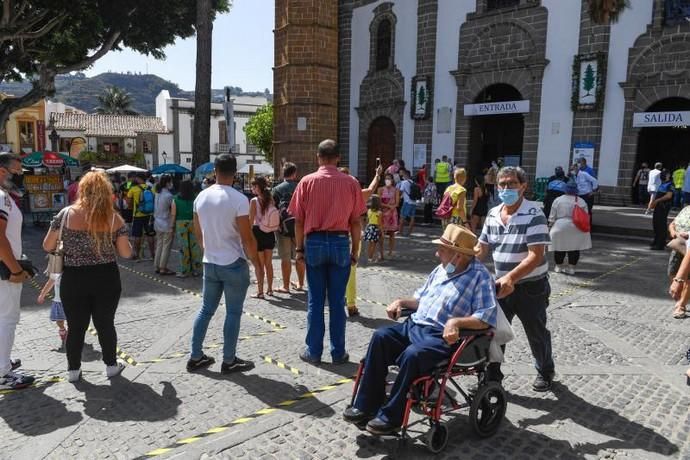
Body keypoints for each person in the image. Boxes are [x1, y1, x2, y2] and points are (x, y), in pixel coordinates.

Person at [342, 224, 497, 435]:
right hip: (414, 325)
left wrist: (456, 323)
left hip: (441, 337)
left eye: (442, 250)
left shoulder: (481, 277)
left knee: (412, 355)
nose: (437, 253)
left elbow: (486, 318)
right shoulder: (441, 269)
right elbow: (420, 299)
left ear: (458, 255)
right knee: (381, 337)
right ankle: (366, 406)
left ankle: (391, 417)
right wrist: (400, 301)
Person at [43, 171, 133, 382]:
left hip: (74, 278)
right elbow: (126, 253)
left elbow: (47, 245)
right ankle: (111, 365)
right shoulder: (113, 218)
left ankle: (73, 370)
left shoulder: (65, 215)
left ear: (82, 190)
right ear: (106, 192)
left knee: (76, 326)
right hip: (106, 277)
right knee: (105, 323)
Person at [477, 166, 555, 392]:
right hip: (501, 285)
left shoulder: (534, 214)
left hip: (531, 287)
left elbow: (536, 254)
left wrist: (511, 278)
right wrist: (461, 254)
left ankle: (544, 370)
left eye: (511, 183)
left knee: (536, 331)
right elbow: (481, 248)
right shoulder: (492, 213)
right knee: (494, 332)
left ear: (523, 186)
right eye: (502, 184)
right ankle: (492, 375)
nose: (506, 188)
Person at [288, 139, 366, 365]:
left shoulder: (306, 182)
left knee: (315, 301)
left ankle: (313, 351)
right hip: (341, 241)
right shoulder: (351, 183)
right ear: (338, 158)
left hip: (314, 242)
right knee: (337, 301)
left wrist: (299, 249)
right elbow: (356, 223)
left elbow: (299, 221)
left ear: (318, 158)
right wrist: (355, 250)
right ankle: (338, 352)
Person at [187, 154, 259, 374]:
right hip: (233, 261)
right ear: (235, 173)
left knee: (206, 310)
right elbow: (247, 237)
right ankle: (229, 360)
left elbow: (198, 232)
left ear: (215, 171)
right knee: (233, 313)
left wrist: (208, 250)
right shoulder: (238, 199)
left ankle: (195, 355)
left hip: (211, 261)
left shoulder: (201, 197)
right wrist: (255, 261)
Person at [0, 153, 34, 390]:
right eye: (18, 171)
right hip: (4, 269)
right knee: (7, 319)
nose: (20, 175)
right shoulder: (1, 197)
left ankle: (2, 361)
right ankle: (3, 373)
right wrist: (14, 269)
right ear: (3, 171)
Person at [342, 164, 382, 317]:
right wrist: (377, 175)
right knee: (351, 272)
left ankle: (337, 303)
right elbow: (371, 190)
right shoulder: (355, 193)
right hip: (351, 236)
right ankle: (351, 305)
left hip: (332, 236)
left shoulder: (330, 192)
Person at [272, 162, 305, 293]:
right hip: (299, 227)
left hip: (282, 228)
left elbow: (272, 209)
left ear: (283, 173)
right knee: (300, 255)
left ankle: (285, 286)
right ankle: (301, 284)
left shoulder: (276, 189)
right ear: (294, 173)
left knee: (285, 258)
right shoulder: (300, 187)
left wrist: (277, 225)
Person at [548, 181, 592, 274]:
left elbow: (552, 216)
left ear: (565, 189)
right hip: (577, 227)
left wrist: (550, 226)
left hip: (560, 226)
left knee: (559, 247)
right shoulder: (581, 201)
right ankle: (571, 268)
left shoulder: (558, 200)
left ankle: (558, 266)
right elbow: (586, 216)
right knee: (574, 248)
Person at [249, 176, 277, 299]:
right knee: (268, 263)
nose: (252, 188)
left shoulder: (254, 201)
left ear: (258, 187)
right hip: (270, 232)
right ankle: (270, 289)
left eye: (254, 186)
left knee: (259, 265)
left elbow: (250, 220)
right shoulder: (270, 199)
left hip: (258, 232)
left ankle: (260, 292)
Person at [171, 180, 202, 278]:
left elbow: (173, 214)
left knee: (184, 248)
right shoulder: (196, 198)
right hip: (193, 222)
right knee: (195, 247)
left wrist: (172, 227)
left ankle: (185, 270)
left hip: (180, 224)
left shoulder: (175, 199)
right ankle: (196, 270)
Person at [667, 205, 690, 318]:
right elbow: (672, 224)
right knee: (671, 272)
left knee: (688, 279)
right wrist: (674, 233)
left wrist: (678, 280)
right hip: (678, 248)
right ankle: (679, 299)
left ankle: (681, 305)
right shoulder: (686, 209)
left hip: (688, 249)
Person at [127, 172, 156, 260]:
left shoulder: (133, 189)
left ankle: (136, 254)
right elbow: (154, 200)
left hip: (137, 215)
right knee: (150, 235)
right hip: (150, 215)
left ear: (139, 179)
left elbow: (129, 203)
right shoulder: (151, 188)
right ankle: (153, 254)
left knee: (137, 236)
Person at [37, 273, 68, 347]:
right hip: (59, 301)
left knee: (73, 321)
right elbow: (50, 283)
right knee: (59, 320)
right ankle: (62, 329)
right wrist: (42, 295)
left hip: (73, 302)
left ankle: (71, 335)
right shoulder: (56, 272)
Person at [153, 175, 175, 275]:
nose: (171, 184)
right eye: (170, 182)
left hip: (157, 221)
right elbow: (172, 210)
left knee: (159, 244)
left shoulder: (157, 193)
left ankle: (157, 265)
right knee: (166, 246)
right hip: (166, 222)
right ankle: (163, 267)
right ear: (167, 183)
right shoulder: (169, 196)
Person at [649, 170, 674, 250]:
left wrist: (657, 200)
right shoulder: (662, 183)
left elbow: (669, 196)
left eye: (664, 174)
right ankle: (656, 241)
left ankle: (660, 244)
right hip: (658, 206)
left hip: (664, 206)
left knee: (661, 224)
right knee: (656, 223)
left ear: (668, 176)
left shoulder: (670, 184)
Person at [378, 173, 400, 258]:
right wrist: (388, 206)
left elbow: (397, 203)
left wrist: (392, 207)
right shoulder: (381, 189)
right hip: (383, 213)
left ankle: (391, 251)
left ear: (392, 180)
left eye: (389, 179)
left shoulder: (396, 190)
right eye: (386, 179)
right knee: (381, 233)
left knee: (391, 233)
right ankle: (381, 252)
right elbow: (379, 202)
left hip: (392, 214)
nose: (387, 180)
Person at [397, 169, 417, 236]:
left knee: (402, 216)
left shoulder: (404, 182)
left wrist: (398, 198)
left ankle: (400, 231)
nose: (402, 176)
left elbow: (400, 191)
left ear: (405, 175)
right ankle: (409, 233)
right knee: (412, 217)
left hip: (407, 202)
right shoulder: (412, 182)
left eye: (403, 175)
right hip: (413, 202)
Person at [364, 195, 384, 263]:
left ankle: (369, 257)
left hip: (369, 227)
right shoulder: (379, 213)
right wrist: (382, 231)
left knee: (370, 244)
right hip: (375, 229)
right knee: (374, 245)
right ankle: (372, 257)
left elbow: (367, 220)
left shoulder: (369, 210)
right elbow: (379, 223)